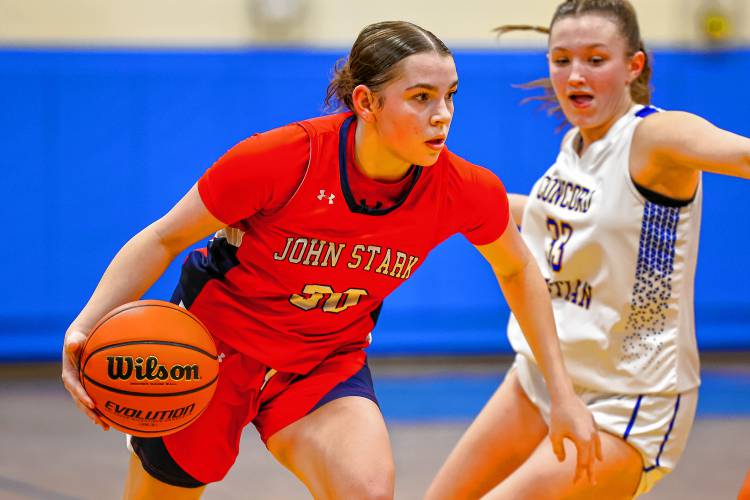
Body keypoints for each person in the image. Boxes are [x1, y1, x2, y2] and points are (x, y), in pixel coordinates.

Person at [60, 20, 599, 499]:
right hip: (211, 347)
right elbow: (162, 239)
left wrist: (562, 392)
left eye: (451, 96)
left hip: (322, 359)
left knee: (365, 489)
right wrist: (85, 326)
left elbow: (517, 267)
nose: (443, 116)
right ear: (365, 102)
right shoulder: (278, 160)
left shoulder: (462, 188)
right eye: (421, 97)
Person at [427, 1, 750, 498]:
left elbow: (742, 154)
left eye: (596, 60)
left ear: (633, 66)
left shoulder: (655, 136)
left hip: (628, 401)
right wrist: (448, 196)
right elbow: (546, 212)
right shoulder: (577, 145)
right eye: (561, 59)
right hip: (543, 377)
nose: (575, 74)